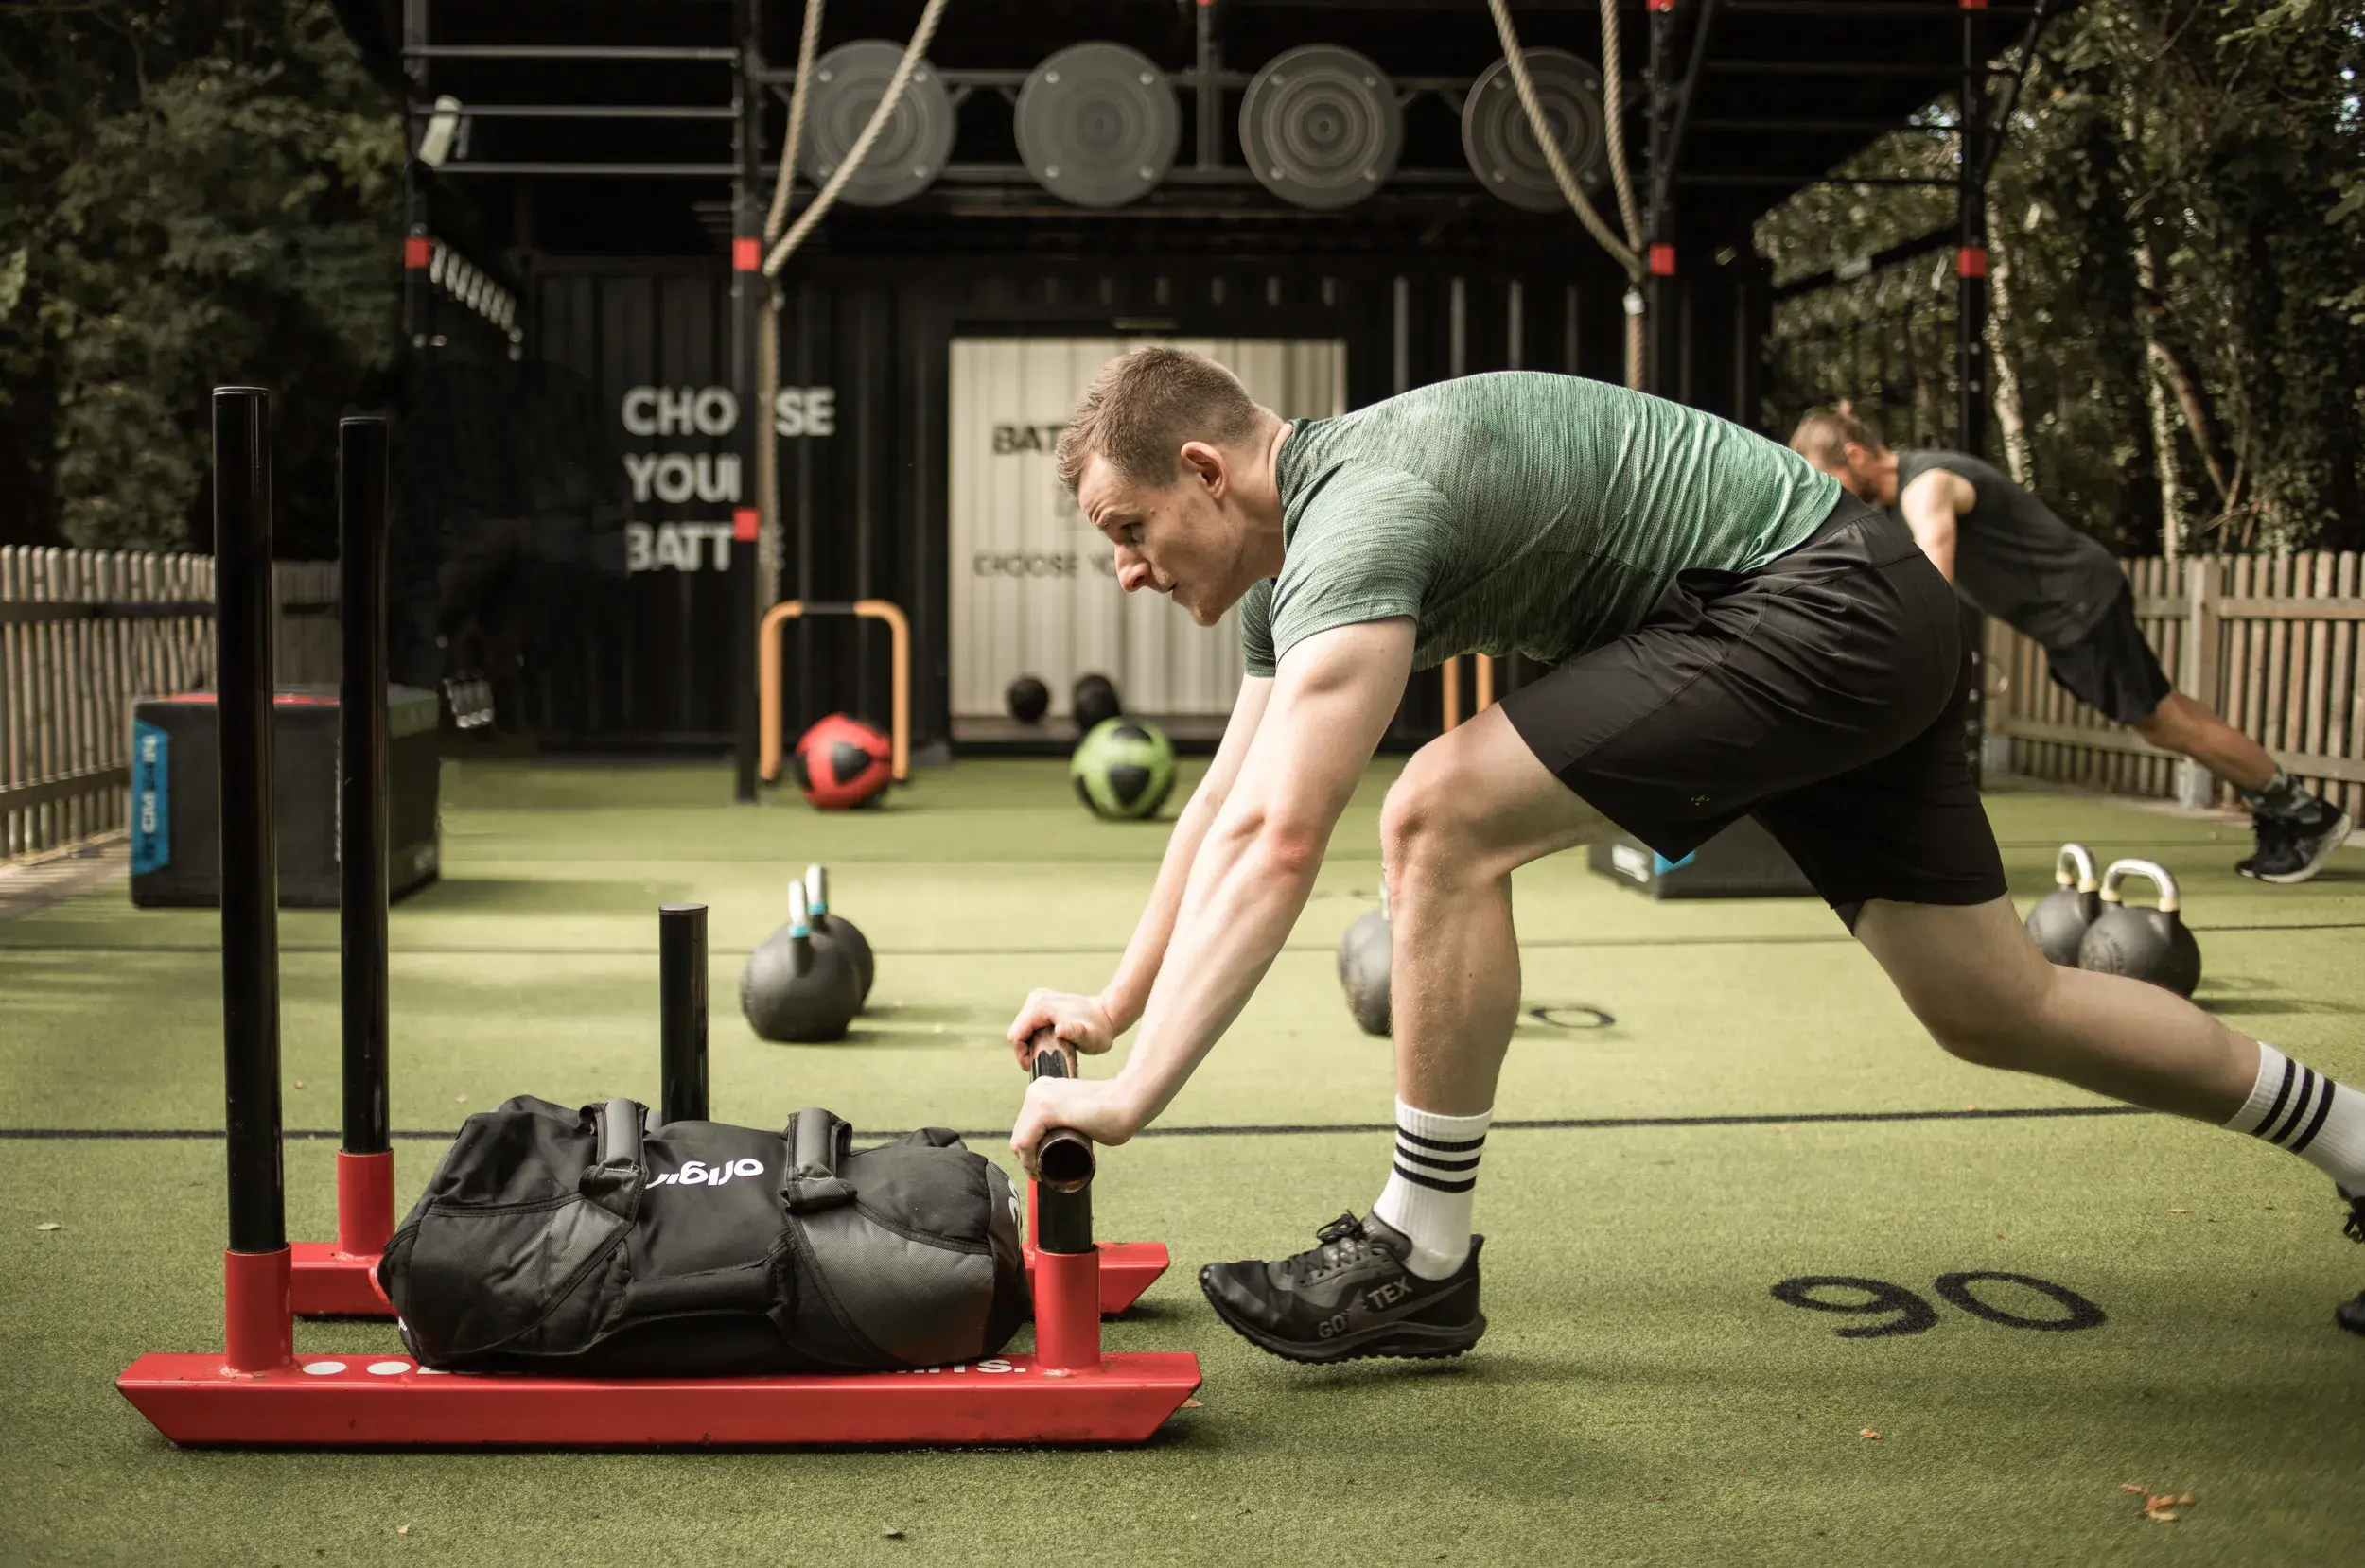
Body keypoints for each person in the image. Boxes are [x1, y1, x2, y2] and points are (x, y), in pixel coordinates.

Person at [1003, 347, 2365, 1362]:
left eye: (1127, 531)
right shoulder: (1294, 557)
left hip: (1812, 604)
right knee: (1998, 1004)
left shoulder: (1362, 510)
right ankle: (2362, 1138)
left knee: (1436, 810)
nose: (1127, 567)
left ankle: (1420, 1248)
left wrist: (1129, 1099)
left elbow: (1287, 836)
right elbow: (1221, 809)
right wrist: (1114, 1004)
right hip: (1861, 608)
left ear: (1205, 471)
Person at [1788, 405, 2350, 884]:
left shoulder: (1925, 485)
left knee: (2164, 721)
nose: (1828, 492)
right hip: (2073, 607)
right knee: (2166, 714)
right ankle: (2281, 803)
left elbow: (1935, 568)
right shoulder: (1906, 489)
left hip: (2078, 602)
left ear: (1857, 456)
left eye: (1826, 475)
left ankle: (2302, 811)